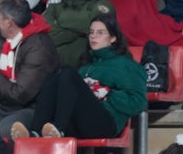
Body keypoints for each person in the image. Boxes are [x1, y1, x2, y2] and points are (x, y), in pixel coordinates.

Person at [25, 12, 143, 141]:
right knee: (53, 77)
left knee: (67, 72)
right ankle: (35, 131)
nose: (93, 36)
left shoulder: (125, 65)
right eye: (91, 32)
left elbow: (138, 103)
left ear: (113, 38)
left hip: (106, 123)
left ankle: (59, 129)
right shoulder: (86, 65)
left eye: (100, 33)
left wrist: (107, 93)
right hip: (80, 121)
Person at [0, 0, 59, 136]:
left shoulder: (39, 47)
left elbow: (20, 94)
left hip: (33, 108)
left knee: (7, 128)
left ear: (9, 22)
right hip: (1, 104)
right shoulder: (5, 39)